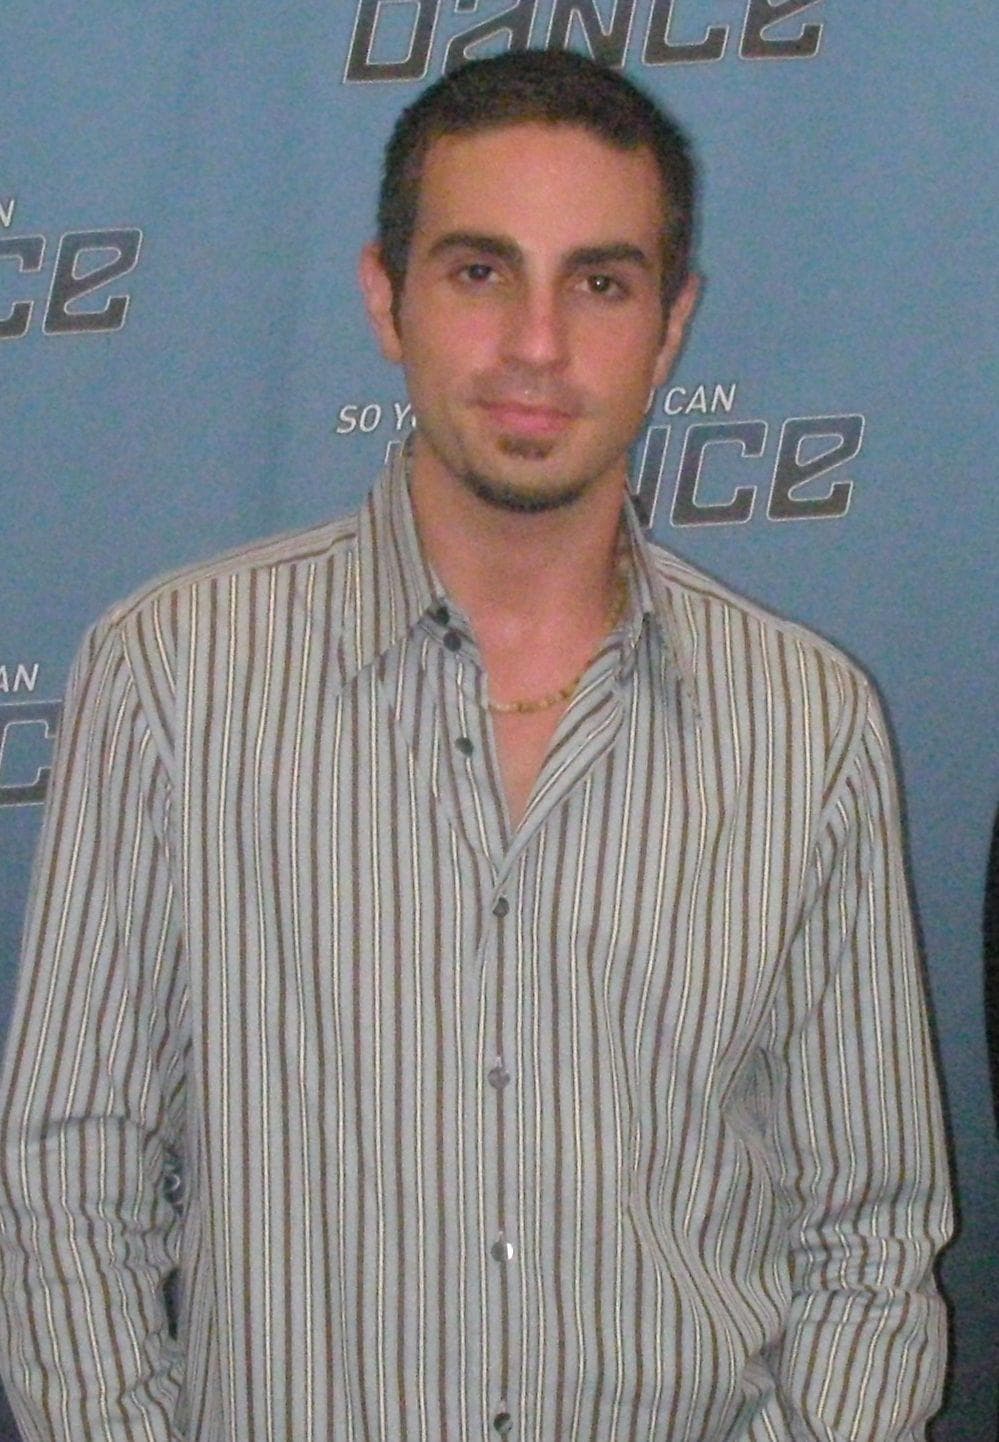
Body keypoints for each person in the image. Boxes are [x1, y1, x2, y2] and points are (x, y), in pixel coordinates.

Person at [0, 47, 951, 1442]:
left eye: (601, 282)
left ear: (672, 325)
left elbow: (870, 1230)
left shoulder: (806, 724)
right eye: (479, 271)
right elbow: (68, 1177)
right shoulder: (174, 677)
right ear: (386, 297)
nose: (538, 344)